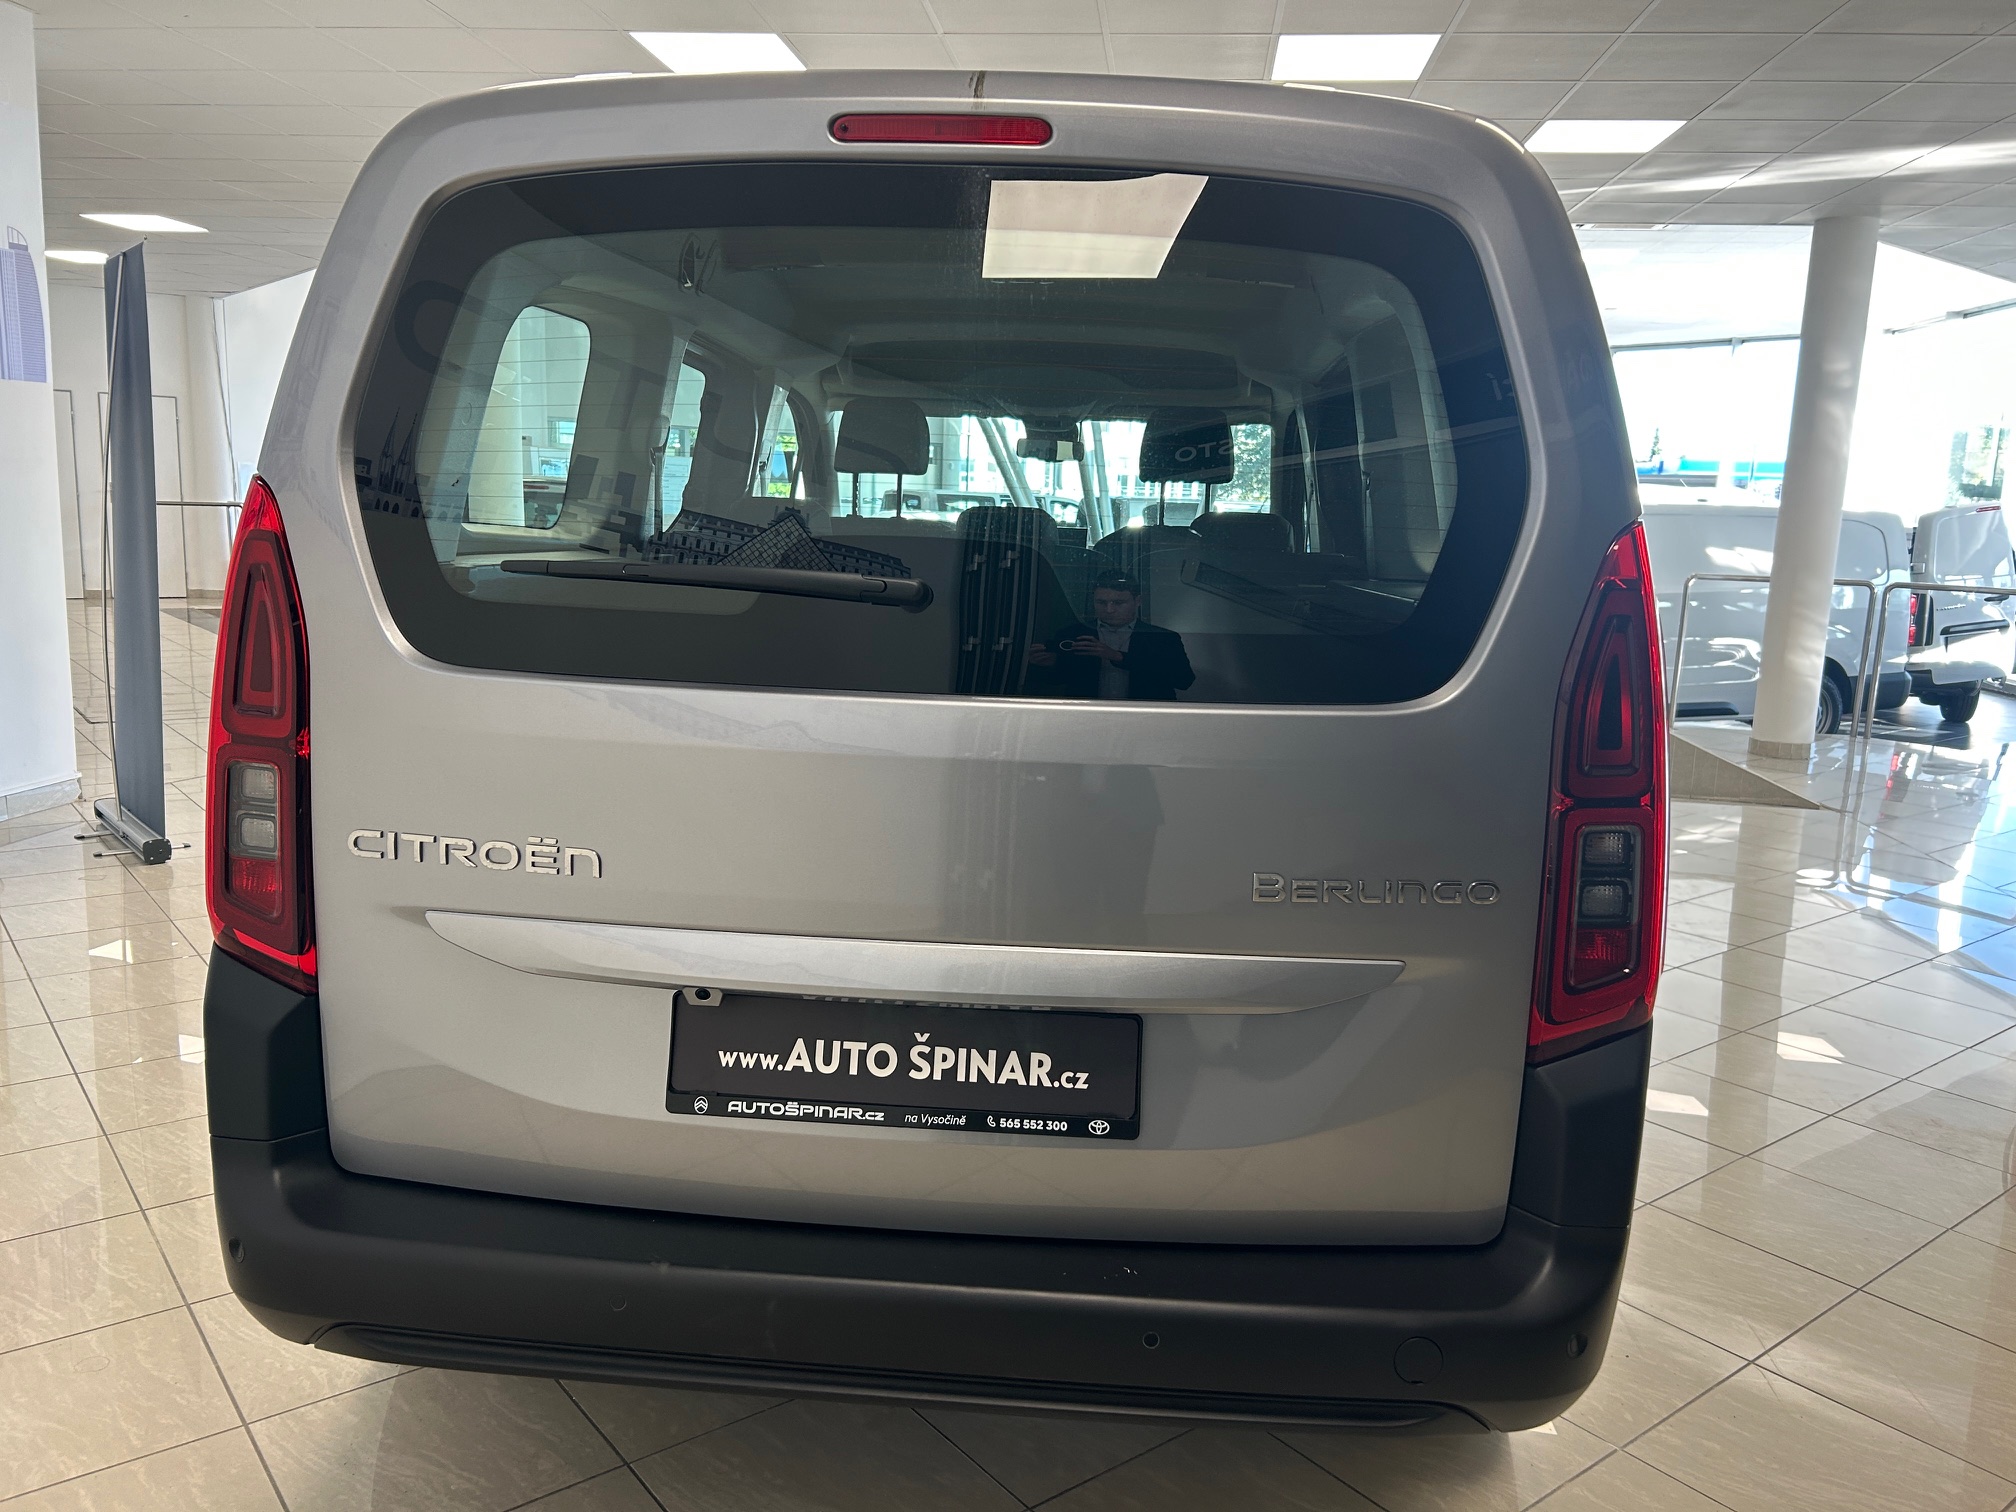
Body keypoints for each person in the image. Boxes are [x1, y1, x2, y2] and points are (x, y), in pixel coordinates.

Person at [1026, 571, 1196, 701]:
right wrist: (1047, 665)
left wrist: (1118, 657)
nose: (1109, 609)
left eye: (1118, 603)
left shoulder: (1163, 638)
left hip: (1146, 719)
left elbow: (1184, 681)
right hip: (1086, 717)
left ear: (1137, 601)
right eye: (1101, 602)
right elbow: (1055, 682)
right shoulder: (1072, 634)